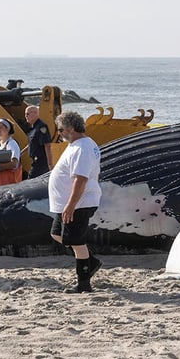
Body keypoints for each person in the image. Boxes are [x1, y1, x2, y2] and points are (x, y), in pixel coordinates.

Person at [48, 111, 103, 293]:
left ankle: (83, 283)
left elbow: (81, 179)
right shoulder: (77, 145)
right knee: (58, 234)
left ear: (71, 128)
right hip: (68, 203)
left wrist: (71, 205)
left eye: (61, 129)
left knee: (76, 242)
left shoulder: (83, 148)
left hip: (80, 203)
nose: (60, 133)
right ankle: (91, 261)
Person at [0, 118, 22, 187]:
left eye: (1, 128)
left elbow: (14, 164)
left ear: (8, 129)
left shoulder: (12, 144)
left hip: (9, 184)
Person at [23, 105, 53, 178]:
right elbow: (32, 143)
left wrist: (50, 164)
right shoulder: (33, 128)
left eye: (27, 114)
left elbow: (47, 145)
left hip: (41, 162)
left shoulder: (41, 127)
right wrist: (21, 152)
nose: (25, 116)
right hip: (35, 161)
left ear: (35, 113)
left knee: (31, 180)